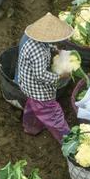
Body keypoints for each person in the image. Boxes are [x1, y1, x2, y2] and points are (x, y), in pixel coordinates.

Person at [18, 13, 73, 143]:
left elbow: (47, 45)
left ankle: (31, 127)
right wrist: (60, 76)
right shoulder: (38, 52)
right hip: (38, 90)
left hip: (28, 86)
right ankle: (69, 143)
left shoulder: (35, 41)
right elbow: (40, 75)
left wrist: (56, 50)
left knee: (33, 106)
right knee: (54, 115)